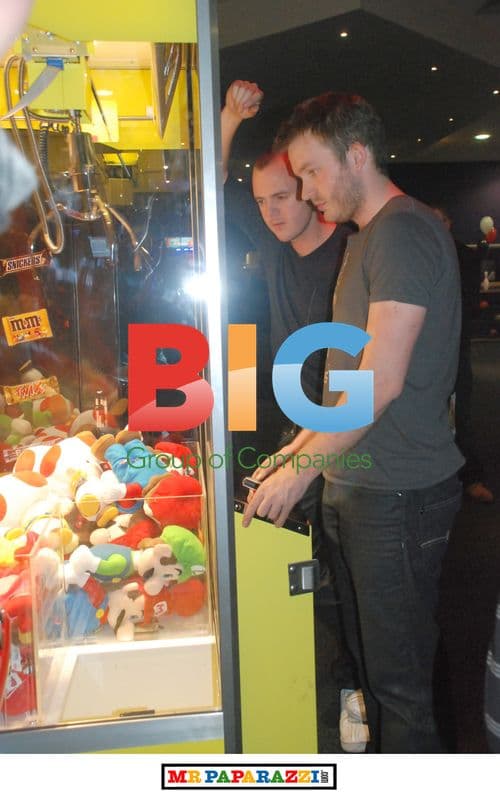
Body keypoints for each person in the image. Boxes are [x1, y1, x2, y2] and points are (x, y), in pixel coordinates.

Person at [243, 91, 464, 753]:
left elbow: (382, 383)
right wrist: (293, 461)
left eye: (311, 171)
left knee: (400, 693)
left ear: (357, 155)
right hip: (368, 489)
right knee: (376, 676)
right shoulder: (372, 238)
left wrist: (297, 473)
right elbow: (347, 388)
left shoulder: (401, 230)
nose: (306, 191)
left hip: (397, 496)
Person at [222, 82, 368, 752]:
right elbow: (217, 191)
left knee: (347, 578)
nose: (275, 211)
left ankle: (350, 690)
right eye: (265, 202)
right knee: (297, 574)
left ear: (311, 191)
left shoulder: (354, 251)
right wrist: (227, 120)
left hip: (347, 436)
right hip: (291, 433)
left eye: (286, 194)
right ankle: (312, 689)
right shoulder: (280, 244)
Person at [432, 206, 494, 503]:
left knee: (459, 414)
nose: (436, 224)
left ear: (449, 221)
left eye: (441, 218)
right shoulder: (418, 253)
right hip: (425, 352)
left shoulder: (463, 256)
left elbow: (466, 301)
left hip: (454, 348)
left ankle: (470, 476)